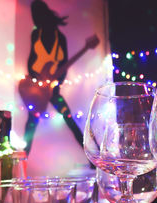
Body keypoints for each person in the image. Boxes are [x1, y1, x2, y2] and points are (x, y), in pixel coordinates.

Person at [19, 0, 99, 155]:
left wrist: (56, 83)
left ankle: (90, 156)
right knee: (32, 121)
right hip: (36, 89)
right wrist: (37, 77)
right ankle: (23, 159)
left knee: (68, 117)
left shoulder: (60, 38)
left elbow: (64, 65)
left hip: (52, 89)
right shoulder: (36, 34)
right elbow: (31, 60)